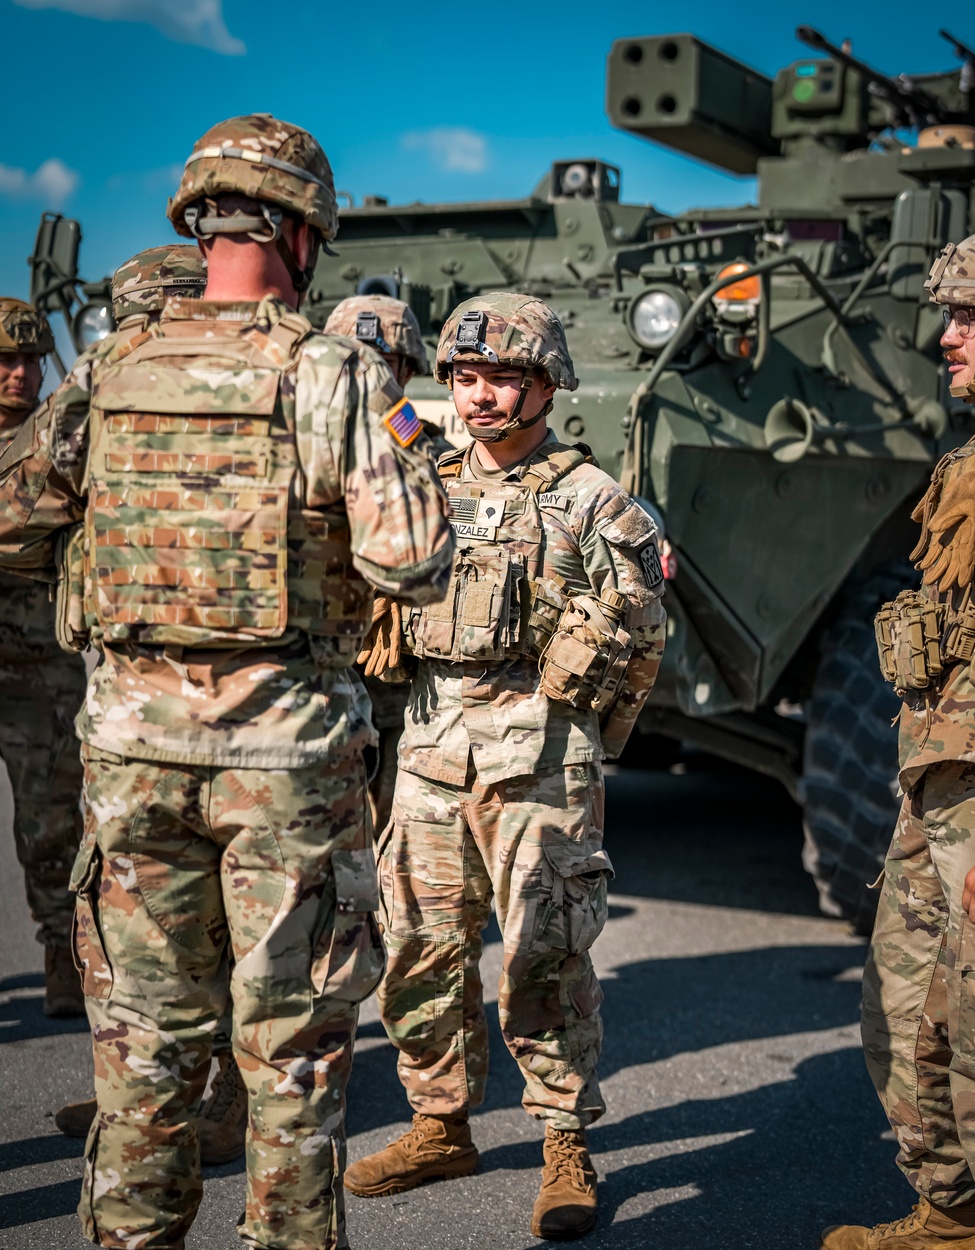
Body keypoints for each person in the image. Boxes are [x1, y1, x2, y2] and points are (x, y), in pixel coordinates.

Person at [0, 112, 454, 1250]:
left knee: (144, 1049)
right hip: (285, 769)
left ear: (199, 220)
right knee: (289, 1049)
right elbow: (413, 557)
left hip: (130, 759)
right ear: (302, 233)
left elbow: (13, 523)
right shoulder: (333, 373)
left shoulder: (107, 368)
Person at [345, 292, 667, 1240]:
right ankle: (439, 1123)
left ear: (544, 387)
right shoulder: (426, 479)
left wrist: (576, 718)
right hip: (433, 748)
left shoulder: (590, 499)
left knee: (545, 955)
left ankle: (565, 1138)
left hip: (538, 757)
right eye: (465, 377)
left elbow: (642, 631)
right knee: (420, 950)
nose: (480, 396)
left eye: (501, 379)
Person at [52, 243, 249, 1167]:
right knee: (145, 931)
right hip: (153, 721)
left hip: (216, 728)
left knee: (204, 932)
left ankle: (215, 1100)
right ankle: (144, 1099)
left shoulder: (128, 396)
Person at [824, 225, 975, 1250]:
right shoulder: (974, 456)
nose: (946, 336)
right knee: (904, 1019)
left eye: (972, 315)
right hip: (936, 787)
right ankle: (950, 1213)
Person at [324, 294, 443, 835]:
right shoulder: (298, 445)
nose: (365, 371)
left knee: (399, 836)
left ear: (407, 371)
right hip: (321, 673)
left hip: (407, 684)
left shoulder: (433, 457)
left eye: (380, 359)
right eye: (351, 356)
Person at [0, 297, 87, 1018]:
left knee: (51, 823)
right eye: (5, 361)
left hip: (39, 667)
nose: (20, 374)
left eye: (30, 359)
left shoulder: (58, 437)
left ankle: (60, 951)